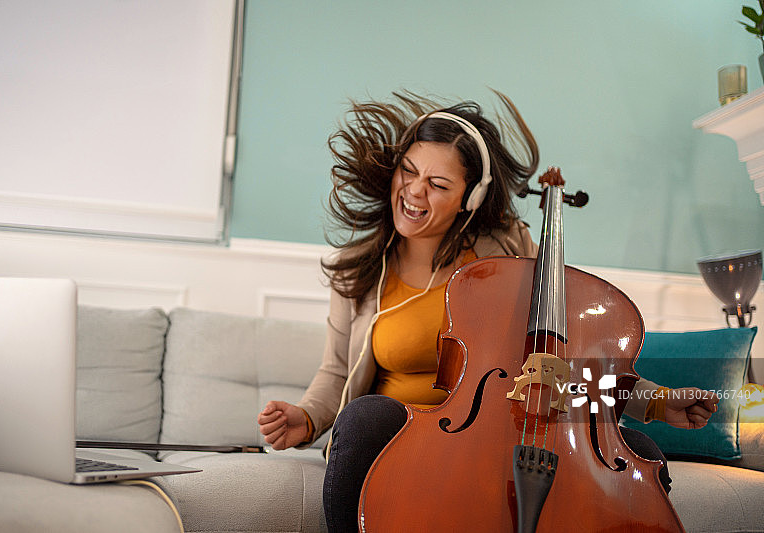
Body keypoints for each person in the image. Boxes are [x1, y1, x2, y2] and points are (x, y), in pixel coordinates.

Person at [257, 90, 719, 532]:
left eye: (437, 184)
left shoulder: (504, 252)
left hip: (500, 428)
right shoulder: (358, 268)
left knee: (638, 451)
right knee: (362, 418)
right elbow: (336, 372)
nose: (414, 191)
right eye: (408, 171)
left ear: (470, 197)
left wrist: (654, 401)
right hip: (401, 431)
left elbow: (566, 360)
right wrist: (308, 418)